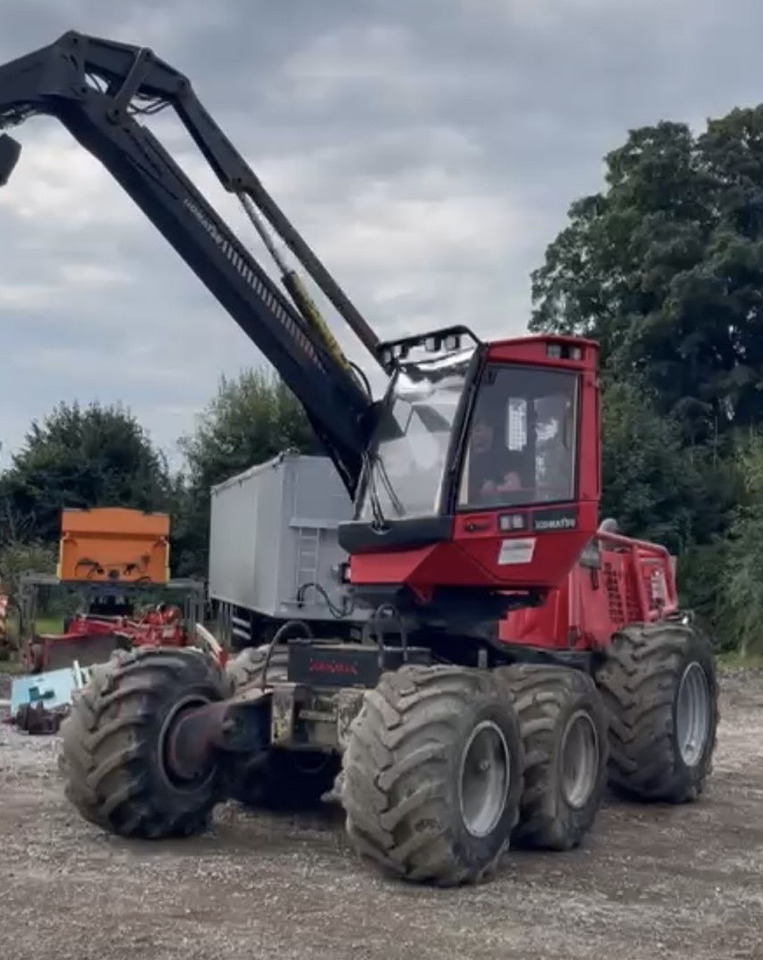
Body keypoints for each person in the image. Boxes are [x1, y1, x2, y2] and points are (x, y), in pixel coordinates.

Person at [466, 417, 524, 504]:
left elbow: (514, 485)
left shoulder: (505, 456)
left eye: (478, 430)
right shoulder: (465, 458)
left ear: (491, 430)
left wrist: (495, 488)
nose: (474, 434)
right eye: (472, 431)